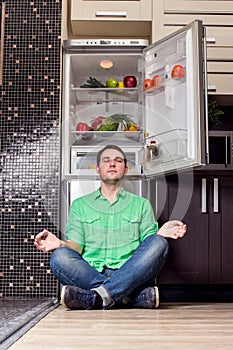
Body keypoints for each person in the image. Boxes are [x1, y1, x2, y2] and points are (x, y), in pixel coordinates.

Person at [35, 144, 187, 310]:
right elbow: (76, 247)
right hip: (91, 273)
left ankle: (96, 297)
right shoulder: (80, 205)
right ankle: (127, 297)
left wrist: (160, 233)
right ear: (98, 169)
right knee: (59, 256)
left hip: (131, 273)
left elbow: (148, 247)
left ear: (126, 169)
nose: (112, 164)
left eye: (118, 160)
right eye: (106, 161)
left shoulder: (141, 205)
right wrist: (60, 244)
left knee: (159, 243)